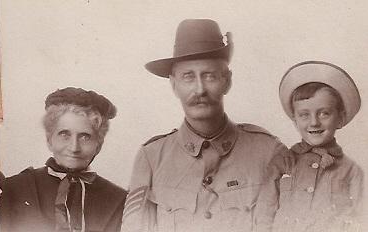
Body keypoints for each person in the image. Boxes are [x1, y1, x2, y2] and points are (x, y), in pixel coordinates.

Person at [121, 19, 287, 232]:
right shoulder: (151, 157)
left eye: (209, 76)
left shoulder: (268, 152)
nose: (199, 89)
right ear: (174, 85)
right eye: (188, 77)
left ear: (227, 81)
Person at [255, 61, 364, 232]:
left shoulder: (351, 171)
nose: (314, 122)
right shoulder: (282, 163)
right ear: (295, 121)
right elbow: (263, 216)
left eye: (324, 113)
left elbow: (361, 220)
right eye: (304, 115)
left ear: (340, 118)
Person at [0, 87, 127, 232]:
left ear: (98, 145)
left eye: (85, 136)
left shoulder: (118, 200)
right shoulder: (15, 188)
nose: (74, 148)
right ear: (49, 139)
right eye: (64, 134)